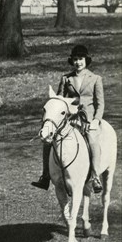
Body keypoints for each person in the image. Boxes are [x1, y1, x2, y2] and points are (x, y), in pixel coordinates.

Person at [32, 44, 104, 194]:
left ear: (86, 60)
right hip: (69, 119)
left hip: (87, 119)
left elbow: (100, 103)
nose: (78, 62)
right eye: (75, 59)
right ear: (72, 61)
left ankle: (95, 176)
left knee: (92, 140)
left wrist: (96, 119)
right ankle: (45, 176)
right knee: (48, 141)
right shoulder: (66, 78)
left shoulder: (95, 79)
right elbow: (59, 100)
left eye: (81, 59)